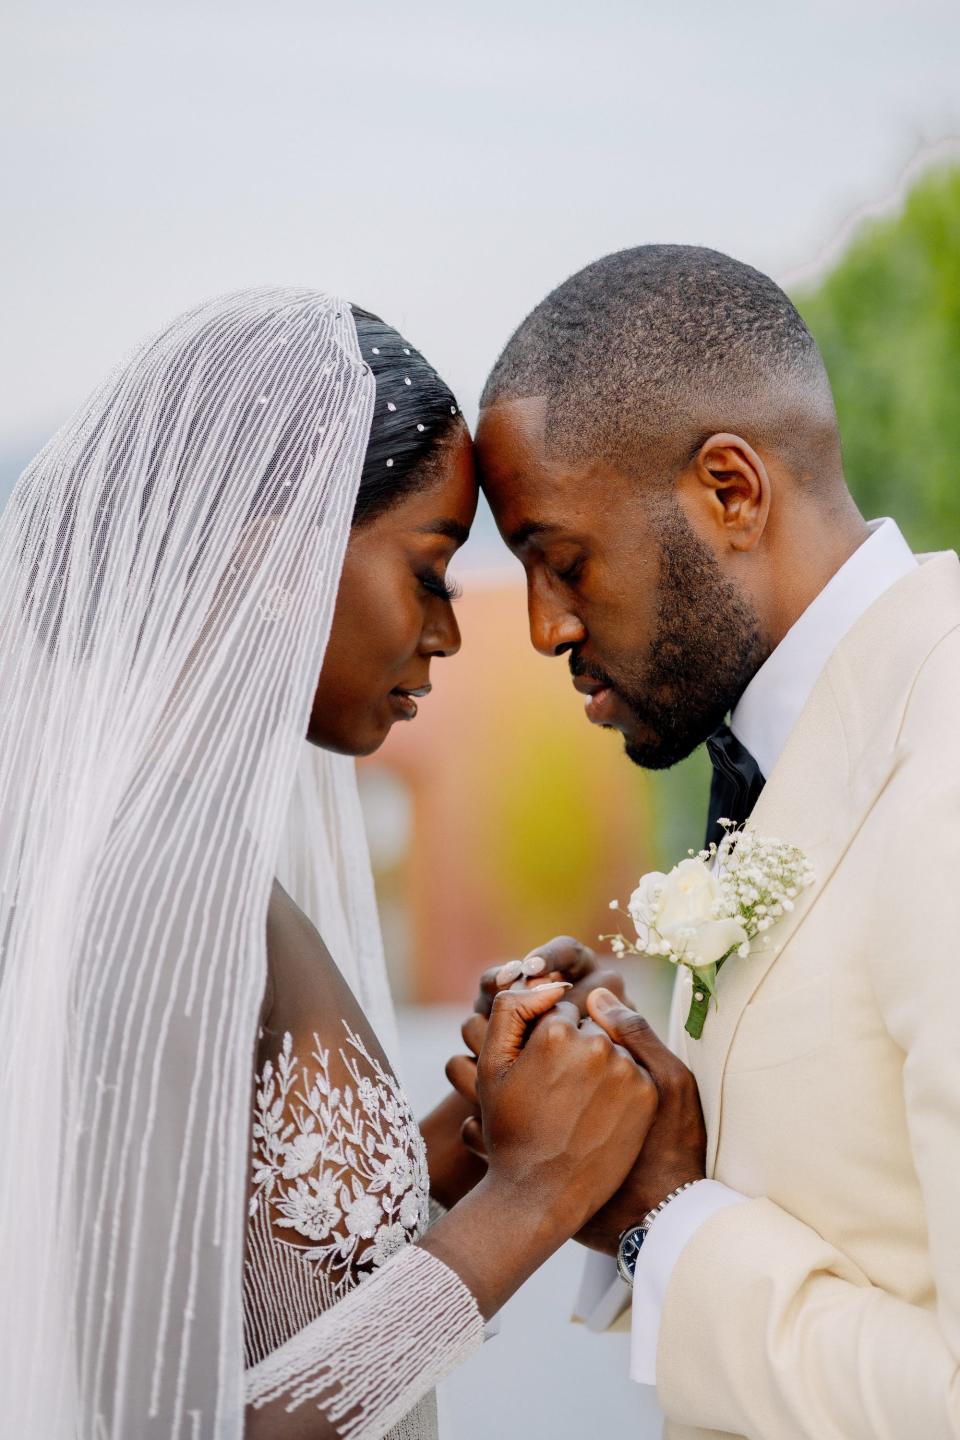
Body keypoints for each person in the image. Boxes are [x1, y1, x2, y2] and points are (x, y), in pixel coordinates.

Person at [0, 287, 658, 1440]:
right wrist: (530, 1203)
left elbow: (255, 1255)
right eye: (433, 568)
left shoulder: (194, 856)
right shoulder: (150, 886)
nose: (451, 631)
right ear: (276, 556)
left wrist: (478, 1139)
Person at [469, 244, 960, 1439]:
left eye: (561, 559)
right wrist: (630, 1097)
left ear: (731, 491)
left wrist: (667, 1220)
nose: (542, 628)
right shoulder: (792, 745)